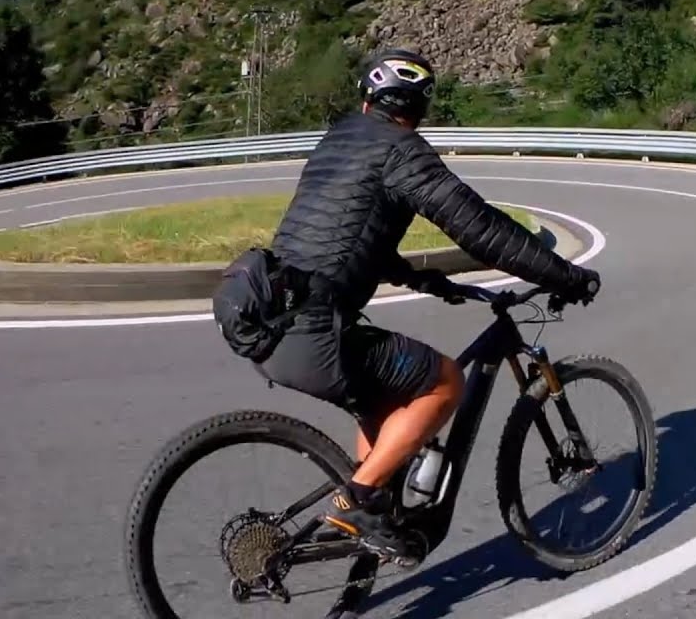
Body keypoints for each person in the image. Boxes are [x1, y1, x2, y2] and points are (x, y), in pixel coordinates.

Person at [256, 48, 600, 558]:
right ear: (417, 105)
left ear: (368, 98)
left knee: (384, 402)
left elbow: (349, 236)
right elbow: (480, 228)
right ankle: (358, 499)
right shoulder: (403, 150)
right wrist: (565, 276)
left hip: (265, 313)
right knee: (443, 381)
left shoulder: (340, 139)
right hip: (315, 328)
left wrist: (431, 281)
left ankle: (378, 522)